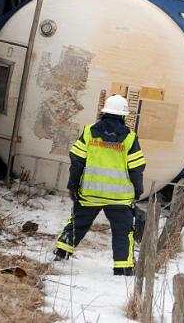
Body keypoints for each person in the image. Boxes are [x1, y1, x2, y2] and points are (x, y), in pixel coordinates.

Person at [53, 95, 146, 276]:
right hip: (119, 197)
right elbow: (136, 167)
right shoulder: (130, 138)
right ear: (123, 116)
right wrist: (138, 189)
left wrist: (73, 185)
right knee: (123, 231)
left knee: (78, 222)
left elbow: (77, 161)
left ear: (104, 112)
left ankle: (61, 251)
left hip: (90, 192)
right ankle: (123, 268)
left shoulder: (89, 132)